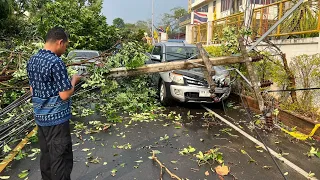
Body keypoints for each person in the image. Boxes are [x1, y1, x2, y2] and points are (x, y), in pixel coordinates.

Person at [27, 27, 81, 180]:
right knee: (60, 159)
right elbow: (65, 94)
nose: (65, 49)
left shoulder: (32, 60)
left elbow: (32, 89)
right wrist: (74, 80)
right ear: (59, 42)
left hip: (41, 119)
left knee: (47, 157)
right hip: (56, 121)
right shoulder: (56, 62)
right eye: (66, 45)